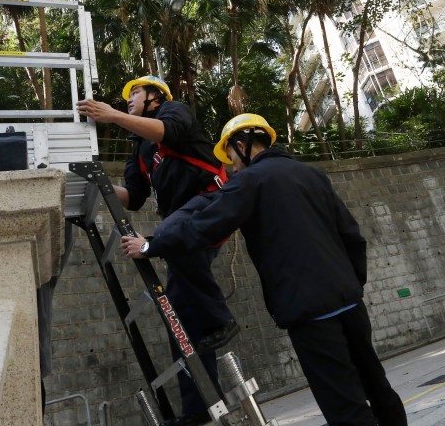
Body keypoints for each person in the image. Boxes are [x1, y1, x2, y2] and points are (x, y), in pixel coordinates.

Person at [121, 114, 407, 426]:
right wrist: (352, 286)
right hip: (350, 304)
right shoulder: (310, 174)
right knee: (376, 385)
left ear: (241, 145)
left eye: (230, 155)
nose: (230, 165)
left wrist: (150, 246)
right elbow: (352, 236)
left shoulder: (249, 182)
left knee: (343, 404)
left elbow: (203, 226)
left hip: (308, 313)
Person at [77, 76, 236, 426]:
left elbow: (168, 131)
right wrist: (96, 179)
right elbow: (134, 198)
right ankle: (201, 409)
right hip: (182, 228)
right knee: (180, 320)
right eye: (129, 94)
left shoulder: (173, 111)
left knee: (166, 231)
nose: (129, 98)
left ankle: (221, 319)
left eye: (134, 92)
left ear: (154, 96)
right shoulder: (140, 151)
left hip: (211, 203)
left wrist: (112, 115)